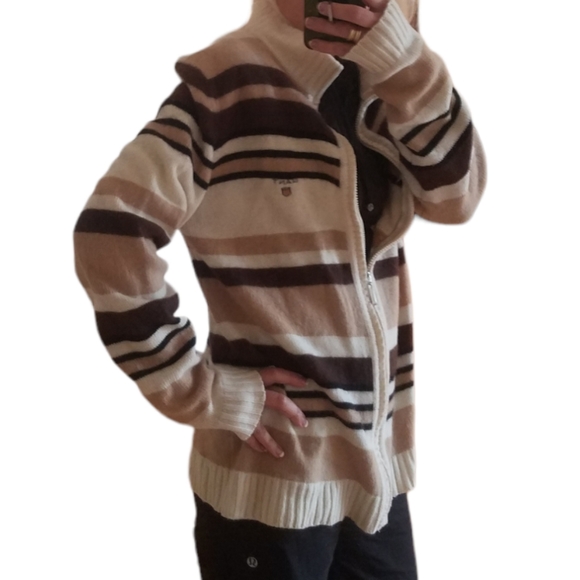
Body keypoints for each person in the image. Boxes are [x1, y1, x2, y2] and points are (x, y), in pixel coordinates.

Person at [73, 0, 486, 577]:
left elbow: (456, 197)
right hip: (272, 479)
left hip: (376, 473)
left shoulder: (385, 84)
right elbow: (110, 236)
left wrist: (405, 62)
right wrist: (202, 393)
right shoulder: (223, 86)